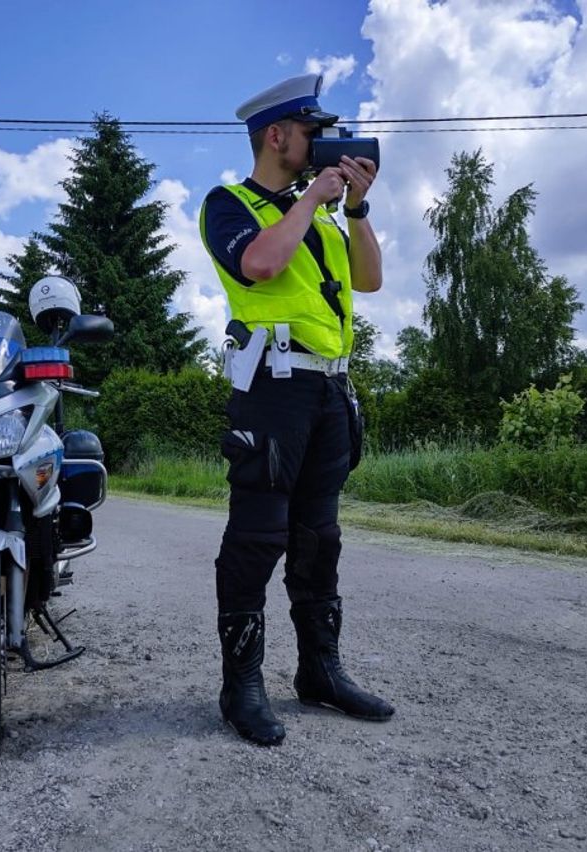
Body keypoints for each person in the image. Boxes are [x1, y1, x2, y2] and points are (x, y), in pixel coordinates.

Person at [199, 73, 395, 746]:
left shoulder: (324, 219)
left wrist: (356, 211)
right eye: (315, 133)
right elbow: (258, 265)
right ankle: (241, 686)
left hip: (330, 391)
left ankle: (320, 672)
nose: (325, 145)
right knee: (258, 537)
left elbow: (370, 280)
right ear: (277, 136)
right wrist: (312, 197)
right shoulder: (229, 205)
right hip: (272, 388)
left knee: (320, 538)